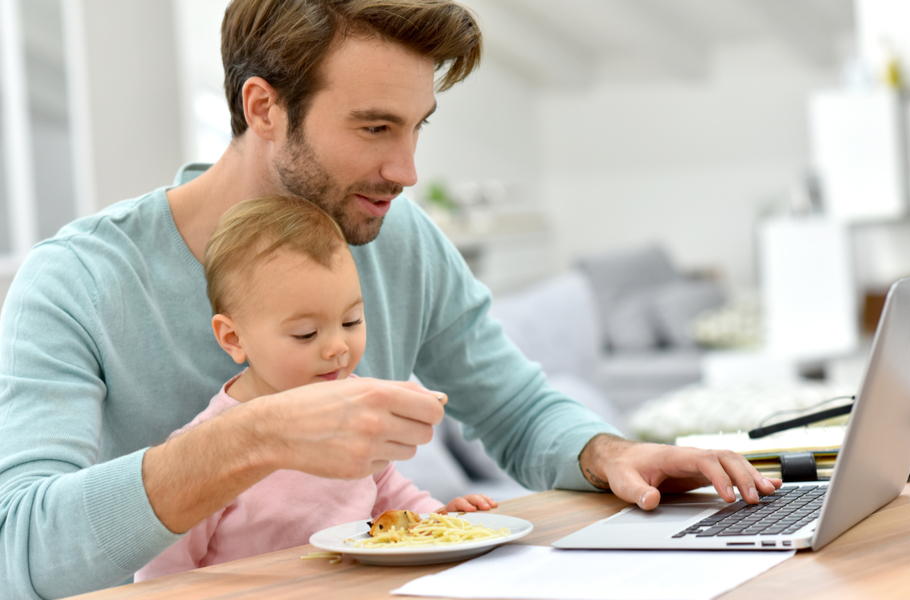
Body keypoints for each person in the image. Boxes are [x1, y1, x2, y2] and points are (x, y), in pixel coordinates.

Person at [0, 1, 778, 598]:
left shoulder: (398, 241)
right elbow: (21, 551)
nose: (405, 171)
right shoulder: (79, 281)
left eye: (416, 127)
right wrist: (250, 437)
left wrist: (612, 454)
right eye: (375, 128)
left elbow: (514, 410)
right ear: (263, 107)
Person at [134, 196, 495, 581]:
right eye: (306, 333)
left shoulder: (353, 403)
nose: (338, 347)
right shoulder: (210, 452)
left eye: (352, 321)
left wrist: (437, 520)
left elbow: (385, 486)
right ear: (233, 337)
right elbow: (161, 572)